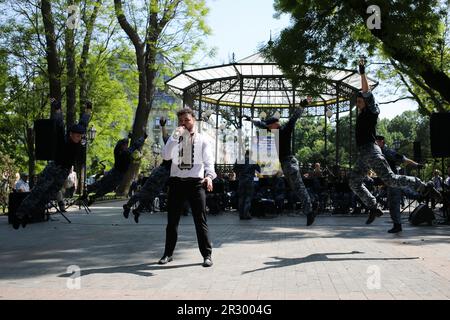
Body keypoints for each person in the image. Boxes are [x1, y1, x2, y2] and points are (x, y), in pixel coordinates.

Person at [349, 58, 441, 225]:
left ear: (367, 102)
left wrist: (362, 73)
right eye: (357, 101)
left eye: (360, 100)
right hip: (363, 154)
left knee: (390, 179)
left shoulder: (371, 111)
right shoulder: (362, 113)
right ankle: (373, 206)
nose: (358, 103)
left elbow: (367, 92)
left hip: (371, 150)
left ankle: (423, 185)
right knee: (353, 181)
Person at [12, 98, 91, 229]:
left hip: (64, 171)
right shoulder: (63, 139)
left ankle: (30, 214)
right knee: (38, 192)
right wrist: (57, 109)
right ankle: (19, 215)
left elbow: (84, 122)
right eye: (77, 136)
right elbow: (60, 124)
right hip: (53, 168)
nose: (79, 138)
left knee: (49, 195)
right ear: (71, 134)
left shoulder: (79, 135)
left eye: (80, 136)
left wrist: (88, 110)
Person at [159, 108, 216, 267]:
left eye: (187, 120)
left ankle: (207, 255)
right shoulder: (174, 138)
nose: (184, 123)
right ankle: (168, 254)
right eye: (181, 121)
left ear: (194, 121)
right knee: (172, 221)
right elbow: (165, 156)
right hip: (176, 183)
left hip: (195, 184)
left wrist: (209, 177)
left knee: (200, 221)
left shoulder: (203, 140)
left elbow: (209, 162)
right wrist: (174, 136)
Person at [248, 98, 316, 226]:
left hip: (290, 163)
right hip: (285, 165)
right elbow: (261, 124)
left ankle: (310, 211)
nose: (268, 127)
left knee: (299, 188)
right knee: (296, 189)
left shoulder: (285, 130)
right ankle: (310, 210)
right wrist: (251, 120)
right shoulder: (272, 131)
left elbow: (294, 118)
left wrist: (302, 105)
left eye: (270, 125)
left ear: (274, 125)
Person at [123, 116, 172, 223]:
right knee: (145, 192)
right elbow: (165, 137)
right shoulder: (173, 143)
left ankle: (138, 211)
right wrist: (163, 125)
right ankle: (127, 206)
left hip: (165, 176)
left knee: (152, 195)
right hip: (161, 172)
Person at [375, 135, 422, 233]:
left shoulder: (387, 152)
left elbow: (402, 158)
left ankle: (397, 226)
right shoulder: (378, 152)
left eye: (377, 141)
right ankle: (421, 194)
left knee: (394, 203)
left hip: (394, 181)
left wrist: (416, 164)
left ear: (382, 142)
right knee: (396, 201)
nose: (375, 143)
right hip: (390, 182)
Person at [86, 134, 146, 205]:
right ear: (123, 146)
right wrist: (143, 137)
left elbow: (128, 144)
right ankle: (92, 195)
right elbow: (136, 145)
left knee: (103, 183)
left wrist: (128, 138)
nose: (127, 146)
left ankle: (89, 193)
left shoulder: (116, 151)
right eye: (126, 145)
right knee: (107, 187)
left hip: (114, 171)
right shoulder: (127, 152)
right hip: (118, 174)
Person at [233, 150, 261, 220]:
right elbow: (259, 170)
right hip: (249, 181)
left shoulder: (240, 160)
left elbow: (234, 169)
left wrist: (239, 173)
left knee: (241, 197)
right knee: (248, 197)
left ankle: (241, 215)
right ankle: (246, 214)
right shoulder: (253, 161)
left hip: (241, 181)